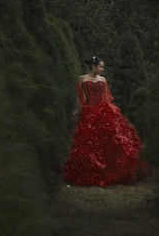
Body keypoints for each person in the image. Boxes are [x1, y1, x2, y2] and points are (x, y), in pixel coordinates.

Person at [61, 56, 152, 186]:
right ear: (93, 66)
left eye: (102, 67)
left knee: (110, 140)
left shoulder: (103, 80)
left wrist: (109, 112)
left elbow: (106, 97)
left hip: (103, 110)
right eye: (100, 66)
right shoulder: (82, 79)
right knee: (86, 142)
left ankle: (112, 169)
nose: (102, 69)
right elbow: (80, 99)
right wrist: (78, 113)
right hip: (88, 112)